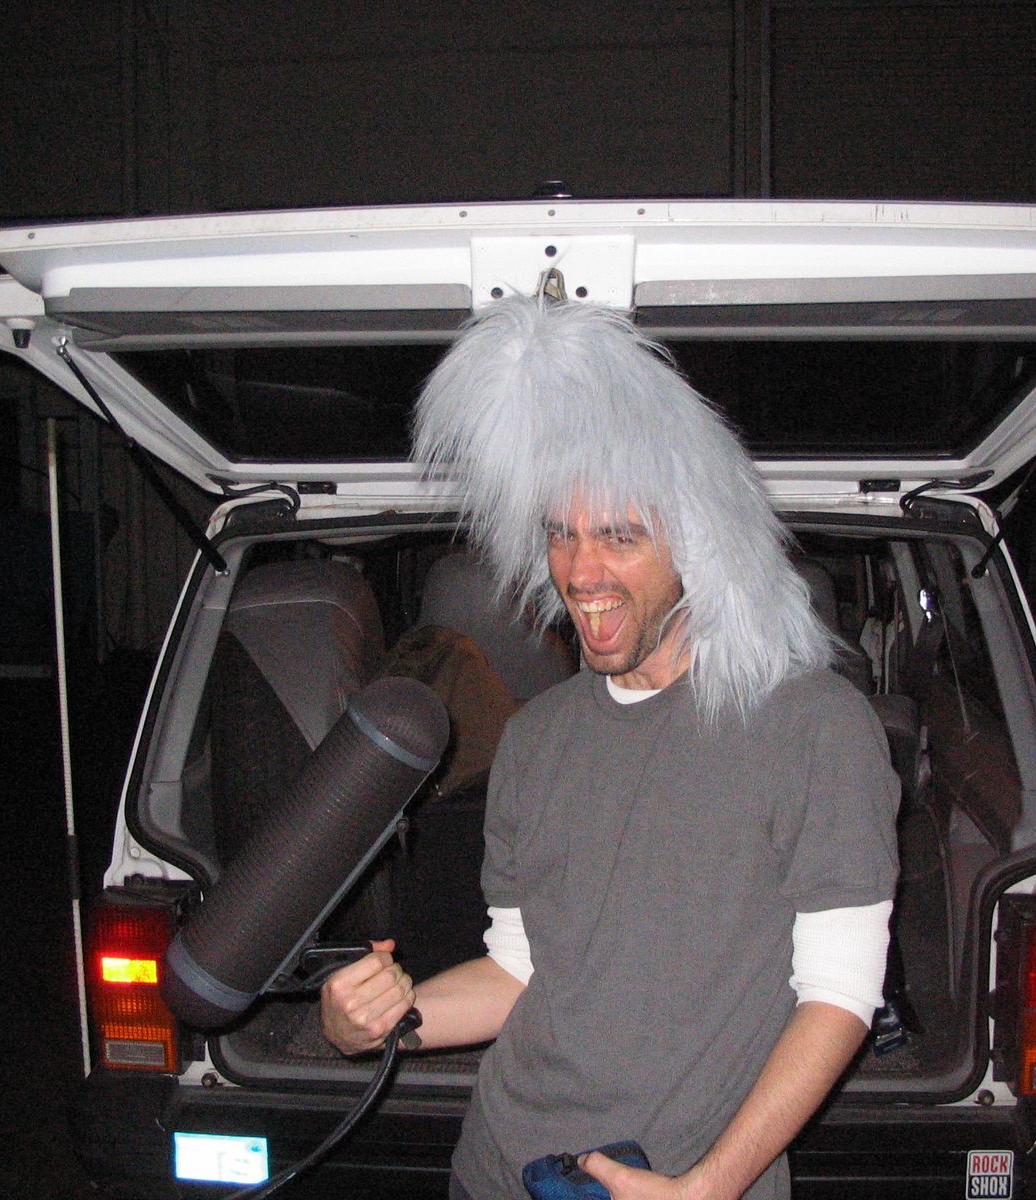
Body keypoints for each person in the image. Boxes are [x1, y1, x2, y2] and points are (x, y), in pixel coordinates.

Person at [320, 296, 900, 1200]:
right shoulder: (537, 738)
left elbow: (840, 994)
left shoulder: (815, 726)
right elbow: (520, 971)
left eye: (620, 537)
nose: (580, 572)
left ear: (701, 543)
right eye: (562, 533)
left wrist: (710, 1185)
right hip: (495, 1170)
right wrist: (384, 1020)